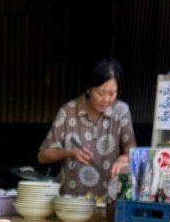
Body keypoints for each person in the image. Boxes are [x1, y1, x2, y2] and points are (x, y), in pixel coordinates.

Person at [37, 58, 136, 198]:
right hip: (70, 200)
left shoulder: (121, 111)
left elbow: (132, 149)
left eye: (112, 93)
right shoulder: (68, 112)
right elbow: (42, 156)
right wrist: (70, 152)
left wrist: (125, 158)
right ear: (88, 88)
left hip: (108, 199)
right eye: (100, 93)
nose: (106, 100)